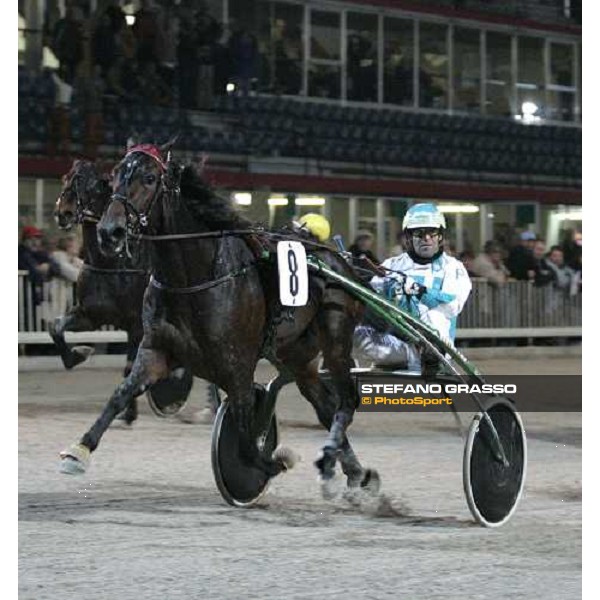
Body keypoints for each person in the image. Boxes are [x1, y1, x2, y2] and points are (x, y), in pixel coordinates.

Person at [353, 204, 472, 375]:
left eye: (432, 233)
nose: (427, 239)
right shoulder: (392, 264)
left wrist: (420, 291)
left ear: (440, 236)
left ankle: (426, 355)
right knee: (351, 330)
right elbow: (371, 297)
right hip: (395, 343)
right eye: (419, 233)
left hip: (434, 345)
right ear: (408, 237)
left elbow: (452, 306)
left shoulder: (453, 267)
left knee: (433, 313)